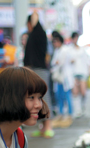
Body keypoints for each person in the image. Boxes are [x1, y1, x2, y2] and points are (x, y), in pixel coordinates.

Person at [24, 11, 54, 139]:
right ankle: (42, 127)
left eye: (28, 24)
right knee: (36, 99)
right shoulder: (33, 35)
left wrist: (34, 14)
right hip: (33, 70)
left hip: (40, 70)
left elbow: (35, 17)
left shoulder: (39, 34)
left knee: (43, 98)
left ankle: (48, 126)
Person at [51, 32, 75, 128]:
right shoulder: (57, 51)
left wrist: (57, 63)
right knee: (59, 96)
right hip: (59, 78)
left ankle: (70, 115)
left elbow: (60, 62)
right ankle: (60, 114)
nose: (54, 43)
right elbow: (54, 62)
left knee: (67, 96)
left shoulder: (65, 50)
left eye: (55, 41)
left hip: (65, 77)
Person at [69, 32, 90, 118]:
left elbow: (87, 61)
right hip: (73, 73)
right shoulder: (70, 50)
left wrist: (89, 70)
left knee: (83, 92)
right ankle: (77, 110)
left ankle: (83, 108)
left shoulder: (82, 50)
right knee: (75, 92)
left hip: (82, 72)